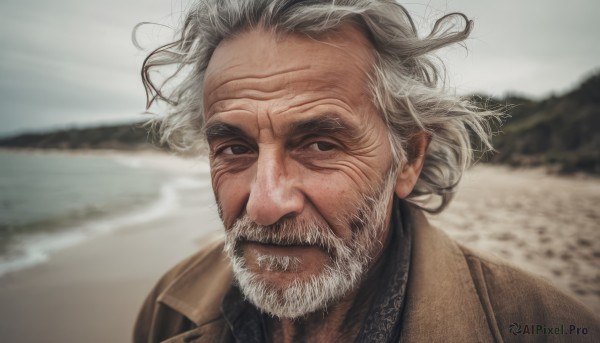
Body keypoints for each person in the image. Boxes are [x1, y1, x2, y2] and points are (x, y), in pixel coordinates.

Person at [133, 1, 600, 342]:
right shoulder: (168, 309)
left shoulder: (548, 326)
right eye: (235, 148)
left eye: (320, 144)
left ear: (409, 159)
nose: (265, 202)